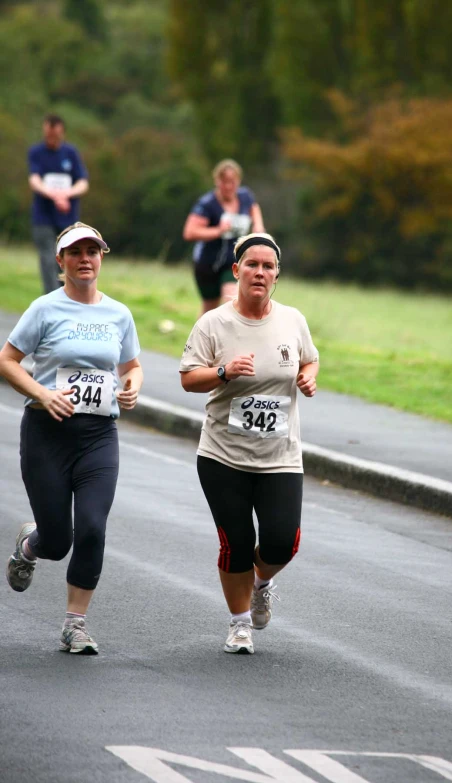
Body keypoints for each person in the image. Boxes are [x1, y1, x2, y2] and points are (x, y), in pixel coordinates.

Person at [0, 222, 143, 655]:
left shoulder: (118, 314)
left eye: (92, 251)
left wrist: (133, 384)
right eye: (75, 252)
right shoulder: (45, 308)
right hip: (47, 434)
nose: (85, 258)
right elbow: (7, 361)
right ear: (60, 261)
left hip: (99, 435)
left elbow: (131, 365)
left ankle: (74, 625)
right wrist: (42, 394)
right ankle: (32, 544)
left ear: (102, 258)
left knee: (94, 529)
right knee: (58, 541)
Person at [180, 233, 319, 654]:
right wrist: (223, 371)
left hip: (280, 456)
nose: (260, 272)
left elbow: (309, 356)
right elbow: (188, 378)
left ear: (277, 275)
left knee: (282, 541)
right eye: (252, 265)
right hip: (224, 455)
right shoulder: (213, 323)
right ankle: (239, 624)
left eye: (269, 266)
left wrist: (309, 374)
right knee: (236, 542)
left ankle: (261, 583)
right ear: (237, 270)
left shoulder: (292, 320)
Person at [182, 159, 265, 316]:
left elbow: (254, 209)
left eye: (232, 182)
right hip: (208, 263)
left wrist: (258, 228)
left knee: (231, 301)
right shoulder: (207, 204)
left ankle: (232, 338)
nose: (228, 186)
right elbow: (189, 232)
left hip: (232, 261)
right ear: (217, 181)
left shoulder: (245, 196)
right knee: (209, 310)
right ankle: (202, 339)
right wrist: (218, 230)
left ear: (238, 182)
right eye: (224, 181)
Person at [28, 114, 89, 293]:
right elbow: (34, 180)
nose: (52, 139)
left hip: (67, 217)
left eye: (55, 135)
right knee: (48, 258)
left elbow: (83, 182)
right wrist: (54, 196)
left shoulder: (71, 153)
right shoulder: (36, 152)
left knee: (67, 258)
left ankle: (67, 295)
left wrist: (66, 194)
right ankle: (51, 297)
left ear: (62, 133)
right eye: (48, 135)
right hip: (43, 216)